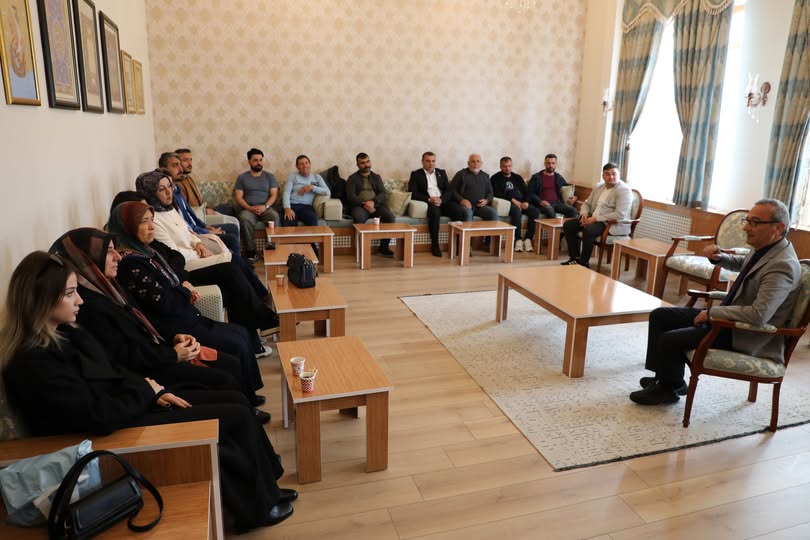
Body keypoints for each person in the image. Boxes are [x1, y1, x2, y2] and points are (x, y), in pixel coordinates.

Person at [0, 252, 296, 532]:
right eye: (69, 293)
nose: (79, 300)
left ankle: (266, 488)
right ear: (40, 299)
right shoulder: (32, 363)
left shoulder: (67, 332)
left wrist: (152, 392)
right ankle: (257, 510)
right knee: (235, 415)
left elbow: (113, 372)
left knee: (235, 401)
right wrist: (144, 392)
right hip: (110, 434)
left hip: (127, 407)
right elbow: (95, 416)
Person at [49, 228, 272, 416]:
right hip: (151, 370)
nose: (117, 256)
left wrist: (173, 337)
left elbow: (144, 320)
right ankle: (246, 413)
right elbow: (124, 357)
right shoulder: (89, 307)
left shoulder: (110, 287)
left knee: (232, 357)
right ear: (89, 258)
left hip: (159, 350)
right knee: (228, 378)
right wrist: (173, 355)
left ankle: (248, 409)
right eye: (108, 252)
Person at [630, 199, 801, 405]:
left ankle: (667, 390)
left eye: (754, 222)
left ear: (778, 227)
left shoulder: (782, 266)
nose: (746, 227)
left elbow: (758, 315)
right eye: (747, 221)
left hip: (746, 333)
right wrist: (720, 258)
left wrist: (712, 313)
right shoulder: (767, 247)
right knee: (660, 315)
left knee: (670, 339)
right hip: (729, 320)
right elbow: (745, 265)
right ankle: (668, 379)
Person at [107, 201, 270, 405]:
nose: (151, 227)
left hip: (187, 315)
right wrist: (183, 289)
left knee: (242, 333)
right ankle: (247, 401)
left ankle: (250, 394)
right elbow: (164, 303)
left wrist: (180, 286)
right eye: (143, 222)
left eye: (152, 220)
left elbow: (175, 263)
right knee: (236, 342)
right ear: (128, 226)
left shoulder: (148, 249)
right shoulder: (130, 263)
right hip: (176, 327)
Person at [135, 171, 279, 350]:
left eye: (169, 187)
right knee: (231, 266)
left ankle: (254, 340)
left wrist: (199, 244)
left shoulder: (170, 209)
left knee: (234, 281)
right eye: (161, 189)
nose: (168, 192)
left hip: (195, 255)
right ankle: (264, 313)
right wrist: (197, 251)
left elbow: (189, 232)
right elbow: (173, 255)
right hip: (186, 266)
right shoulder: (153, 220)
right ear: (150, 192)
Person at [161, 151, 241, 253]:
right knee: (232, 238)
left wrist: (206, 226)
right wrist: (206, 231)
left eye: (181, 164)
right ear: (164, 169)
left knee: (231, 219)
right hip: (194, 234)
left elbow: (191, 213)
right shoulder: (169, 196)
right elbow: (186, 225)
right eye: (175, 165)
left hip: (197, 226)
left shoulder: (178, 188)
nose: (181, 169)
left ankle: (236, 258)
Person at [561, 162, 631, 268]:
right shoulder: (599, 187)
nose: (611, 177)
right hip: (592, 218)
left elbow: (619, 214)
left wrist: (595, 219)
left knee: (589, 230)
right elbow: (587, 203)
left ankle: (583, 263)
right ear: (603, 176)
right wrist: (584, 214)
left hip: (610, 223)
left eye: (614, 174)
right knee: (568, 225)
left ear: (619, 175)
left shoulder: (624, 190)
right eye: (607, 174)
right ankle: (574, 258)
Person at [408, 151, 464, 257]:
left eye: (433, 161)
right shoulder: (416, 174)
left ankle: (457, 244)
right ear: (422, 162)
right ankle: (435, 246)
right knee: (434, 213)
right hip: (430, 202)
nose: (431, 163)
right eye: (428, 161)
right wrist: (429, 199)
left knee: (458, 211)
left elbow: (449, 190)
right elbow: (413, 193)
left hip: (443, 201)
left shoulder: (441, 172)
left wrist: (441, 199)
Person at [174, 147, 241, 229]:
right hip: (198, 217)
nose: (189, 163)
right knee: (234, 222)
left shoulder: (189, 178)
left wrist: (207, 208)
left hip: (203, 211)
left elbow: (200, 200)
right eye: (185, 160)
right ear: (177, 163)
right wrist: (205, 211)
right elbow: (185, 209)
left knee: (228, 209)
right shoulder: (178, 183)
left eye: (190, 160)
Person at [234, 148, 280, 261]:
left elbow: (274, 195)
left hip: (266, 208)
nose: (258, 162)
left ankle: (271, 248)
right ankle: (251, 251)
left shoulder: (269, 177)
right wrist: (250, 208)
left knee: (274, 216)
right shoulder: (242, 177)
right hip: (249, 209)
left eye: (260, 160)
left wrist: (265, 206)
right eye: (255, 160)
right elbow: (239, 197)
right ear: (249, 161)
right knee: (244, 218)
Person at [346, 153, 395, 257]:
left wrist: (373, 202)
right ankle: (362, 249)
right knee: (358, 218)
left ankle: (383, 248)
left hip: (376, 206)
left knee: (390, 217)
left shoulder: (376, 177)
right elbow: (350, 196)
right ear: (357, 165)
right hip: (359, 206)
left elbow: (382, 193)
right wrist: (365, 204)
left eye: (367, 161)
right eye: (362, 163)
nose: (366, 165)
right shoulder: (352, 178)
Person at [282, 155, 331, 256]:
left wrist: (312, 187)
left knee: (312, 220)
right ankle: (291, 253)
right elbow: (286, 193)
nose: (304, 165)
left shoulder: (317, 178)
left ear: (310, 164)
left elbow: (327, 192)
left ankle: (312, 250)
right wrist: (287, 208)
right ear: (297, 167)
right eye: (301, 164)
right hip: (292, 206)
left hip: (306, 207)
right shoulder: (292, 177)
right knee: (288, 222)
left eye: (306, 163)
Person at [490, 156, 540, 253]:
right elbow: (496, 193)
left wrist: (526, 201)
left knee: (535, 211)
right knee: (516, 211)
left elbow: (527, 192)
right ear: (500, 166)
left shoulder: (517, 177)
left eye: (509, 166)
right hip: (507, 204)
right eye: (504, 166)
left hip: (521, 202)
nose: (507, 168)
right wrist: (513, 200)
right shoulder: (495, 178)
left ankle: (528, 238)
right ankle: (517, 239)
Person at [527, 153, 579, 219]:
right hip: (543, 204)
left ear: (556, 164)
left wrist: (575, 196)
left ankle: (566, 225)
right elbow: (530, 193)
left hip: (557, 203)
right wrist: (540, 201)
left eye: (553, 163)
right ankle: (551, 226)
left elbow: (568, 187)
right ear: (545, 164)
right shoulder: (536, 177)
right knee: (550, 210)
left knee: (573, 211)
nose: (551, 165)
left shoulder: (558, 177)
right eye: (548, 163)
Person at [450, 154, 498, 223]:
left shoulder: (485, 176)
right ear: (468, 163)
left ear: (481, 163)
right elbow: (452, 190)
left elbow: (490, 193)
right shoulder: (461, 174)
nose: (476, 164)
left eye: (478, 161)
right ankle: (468, 230)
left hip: (480, 207)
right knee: (468, 213)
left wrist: (486, 200)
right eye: (473, 161)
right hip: (465, 206)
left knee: (493, 213)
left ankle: (490, 231)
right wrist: (462, 200)